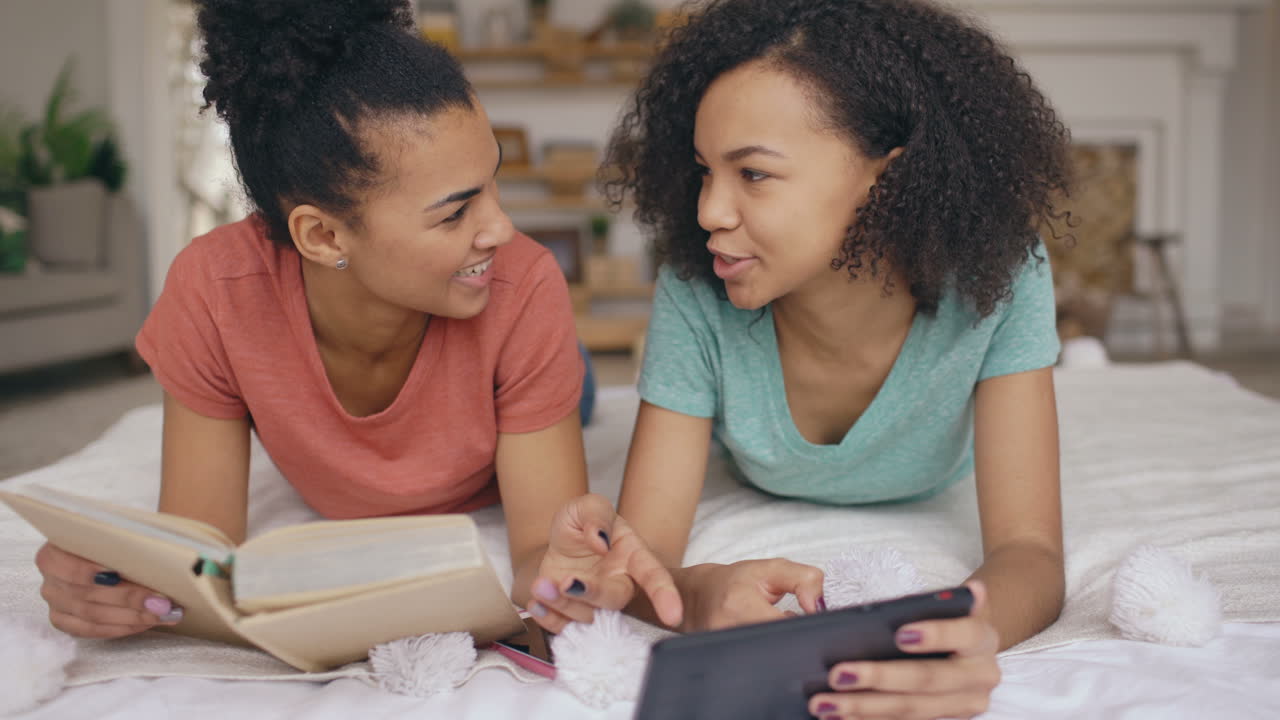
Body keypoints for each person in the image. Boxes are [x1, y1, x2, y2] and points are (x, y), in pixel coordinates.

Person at [33, 0, 679, 642]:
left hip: (516, 345)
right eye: (455, 213)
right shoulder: (213, 293)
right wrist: (121, 586)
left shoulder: (526, 284)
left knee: (573, 380)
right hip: (486, 332)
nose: (501, 228)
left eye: (493, 183)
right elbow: (199, 552)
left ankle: (568, 368)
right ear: (323, 236)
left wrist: (563, 577)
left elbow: (541, 552)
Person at [532, 0, 1071, 717]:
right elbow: (643, 556)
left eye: (753, 174)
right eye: (704, 172)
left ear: (886, 176)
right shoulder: (698, 286)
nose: (709, 212)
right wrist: (698, 595)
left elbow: (1031, 550)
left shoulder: (1001, 277)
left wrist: (956, 636)